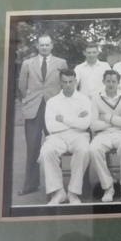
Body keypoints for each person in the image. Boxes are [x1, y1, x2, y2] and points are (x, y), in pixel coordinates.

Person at [18, 34, 67, 195]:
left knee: (55, 146)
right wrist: (29, 99)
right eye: (41, 45)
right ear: (37, 46)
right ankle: (30, 184)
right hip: (34, 108)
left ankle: (57, 186)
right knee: (33, 147)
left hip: (54, 108)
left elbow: (65, 84)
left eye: (47, 45)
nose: (44, 47)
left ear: (52, 45)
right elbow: (22, 86)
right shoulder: (27, 63)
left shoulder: (61, 63)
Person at [39, 69, 91, 205]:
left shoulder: (84, 100)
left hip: (79, 135)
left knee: (84, 150)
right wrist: (75, 120)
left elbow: (85, 125)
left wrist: (63, 119)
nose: (68, 85)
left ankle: (73, 193)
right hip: (57, 136)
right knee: (46, 151)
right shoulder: (52, 102)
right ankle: (58, 192)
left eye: (71, 81)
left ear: (75, 82)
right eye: (65, 82)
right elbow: (51, 126)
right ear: (60, 82)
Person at [90, 70, 121, 202]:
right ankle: (108, 187)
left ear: (118, 83)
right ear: (103, 82)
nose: (110, 84)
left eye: (114, 81)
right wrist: (118, 122)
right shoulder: (96, 98)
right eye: (108, 81)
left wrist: (107, 118)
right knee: (94, 149)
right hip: (103, 134)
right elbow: (93, 125)